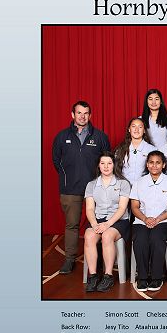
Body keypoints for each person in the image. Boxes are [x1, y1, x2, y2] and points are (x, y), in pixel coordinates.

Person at [52, 100, 110, 274]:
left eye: (85, 113)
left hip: (96, 189)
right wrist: (68, 177)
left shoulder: (100, 136)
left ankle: (99, 259)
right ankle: (69, 259)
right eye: (79, 113)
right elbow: (56, 161)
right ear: (73, 115)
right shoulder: (62, 136)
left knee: (98, 223)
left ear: (90, 115)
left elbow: (107, 161)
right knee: (72, 225)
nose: (82, 116)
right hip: (70, 189)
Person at [130, 151, 167, 292]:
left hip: (165, 221)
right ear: (147, 164)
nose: (154, 165)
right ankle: (142, 277)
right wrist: (145, 219)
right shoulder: (138, 183)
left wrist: (158, 219)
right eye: (151, 162)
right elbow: (134, 207)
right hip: (142, 221)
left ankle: (157, 277)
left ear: (163, 165)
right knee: (140, 238)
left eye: (158, 162)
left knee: (156, 237)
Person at [83, 152, 131, 292]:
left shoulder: (123, 183)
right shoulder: (91, 185)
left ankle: (108, 276)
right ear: (98, 165)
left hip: (118, 220)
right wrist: (94, 224)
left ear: (114, 165)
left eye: (109, 163)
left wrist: (108, 224)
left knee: (107, 235)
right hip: (98, 219)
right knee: (89, 236)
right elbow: (90, 208)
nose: (106, 166)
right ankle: (93, 276)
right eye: (102, 163)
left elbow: (122, 208)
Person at [114, 117, 156, 186]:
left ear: (144, 130)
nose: (136, 129)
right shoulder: (120, 150)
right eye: (133, 126)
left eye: (140, 127)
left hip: (144, 187)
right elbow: (116, 171)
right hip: (124, 187)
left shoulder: (152, 150)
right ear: (129, 129)